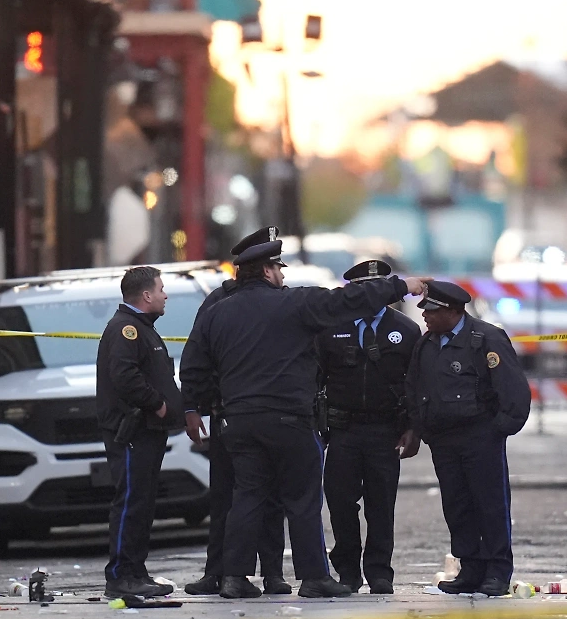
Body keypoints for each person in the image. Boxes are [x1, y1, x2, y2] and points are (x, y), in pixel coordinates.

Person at [181, 240, 428, 599]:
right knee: (301, 499)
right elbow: (349, 301)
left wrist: (192, 407)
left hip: (239, 422)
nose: (282, 274)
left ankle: (233, 577)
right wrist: (402, 285)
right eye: (279, 268)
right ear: (266, 271)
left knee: (247, 496)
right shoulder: (296, 304)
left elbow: (194, 362)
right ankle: (314, 577)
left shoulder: (218, 312)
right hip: (289, 420)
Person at [404, 280, 531, 597]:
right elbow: (415, 388)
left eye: (432, 311)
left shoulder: (485, 339)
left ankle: (497, 571)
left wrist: (498, 430)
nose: (426, 317)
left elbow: (513, 390)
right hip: (444, 440)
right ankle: (471, 568)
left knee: (489, 504)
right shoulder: (427, 344)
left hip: (479, 437)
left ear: (454, 311)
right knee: (457, 506)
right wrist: (422, 429)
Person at [183, 228, 289, 596]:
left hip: (260, 412)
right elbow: (196, 358)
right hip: (225, 411)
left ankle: (273, 573)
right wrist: (193, 407)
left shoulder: (281, 300)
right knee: (224, 496)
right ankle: (218, 571)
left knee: (270, 497)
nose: (279, 274)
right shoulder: (218, 301)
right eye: (274, 265)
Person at [316, 260, 422, 595]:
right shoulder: (331, 328)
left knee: (381, 504)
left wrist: (412, 428)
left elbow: (415, 384)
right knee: (341, 503)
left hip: (384, 430)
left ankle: (380, 572)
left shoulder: (405, 330)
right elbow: (315, 377)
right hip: (342, 431)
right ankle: (347, 570)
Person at [96, 266, 185, 599]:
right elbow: (125, 377)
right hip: (134, 429)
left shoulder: (141, 328)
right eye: (161, 289)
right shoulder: (127, 330)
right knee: (132, 500)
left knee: (143, 503)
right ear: (146, 295)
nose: (165, 295)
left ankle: (136, 570)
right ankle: (120, 575)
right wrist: (157, 403)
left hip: (148, 431)